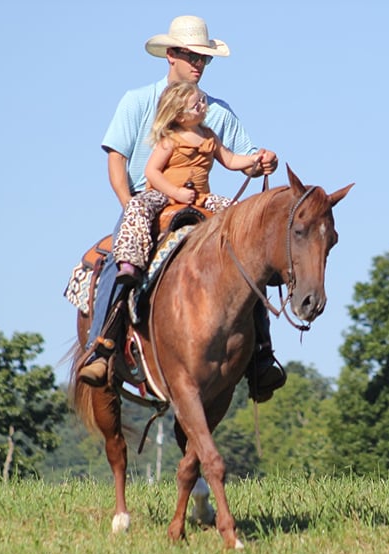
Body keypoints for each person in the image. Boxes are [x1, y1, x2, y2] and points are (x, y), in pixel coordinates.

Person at [78, 15, 285, 403]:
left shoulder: (217, 112)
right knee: (118, 255)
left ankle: (260, 357)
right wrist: (131, 208)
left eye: (203, 58)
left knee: (248, 257)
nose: (197, 64)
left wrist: (262, 161)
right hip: (148, 196)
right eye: (190, 55)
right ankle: (101, 345)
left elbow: (241, 157)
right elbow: (117, 161)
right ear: (170, 54)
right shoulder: (137, 100)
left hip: (200, 202)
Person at [113, 81, 268, 285]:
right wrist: (175, 192)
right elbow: (152, 172)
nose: (203, 106)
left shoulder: (209, 135)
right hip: (165, 195)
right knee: (137, 206)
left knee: (238, 212)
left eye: (203, 101)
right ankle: (130, 260)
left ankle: (253, 261)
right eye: (196, 105)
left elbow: (230, 160)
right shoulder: (170, 139)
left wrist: (255, 159)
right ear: (179, 115)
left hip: (200, 198)